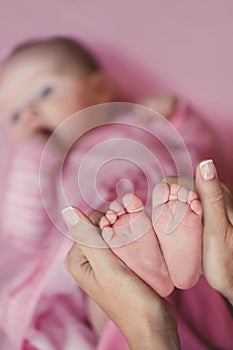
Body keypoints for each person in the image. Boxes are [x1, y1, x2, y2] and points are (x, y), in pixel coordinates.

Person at [0, 35, 216, 349]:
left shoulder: (136, 123)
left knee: (202, 268)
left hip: (168, 223)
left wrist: (176, 117)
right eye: (15, 116)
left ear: (99, 90)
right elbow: (25, 231)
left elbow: (196, 150)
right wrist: (33, 154)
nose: (30, 114)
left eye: (44, 92)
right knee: (106, 295)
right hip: (103, 256)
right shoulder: (49, 168)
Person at [63, 160, 233, 350]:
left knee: (104, 296)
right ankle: (172, 261)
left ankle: (138, 270)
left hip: (131, 325)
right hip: (213, 316)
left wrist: (151, 331)